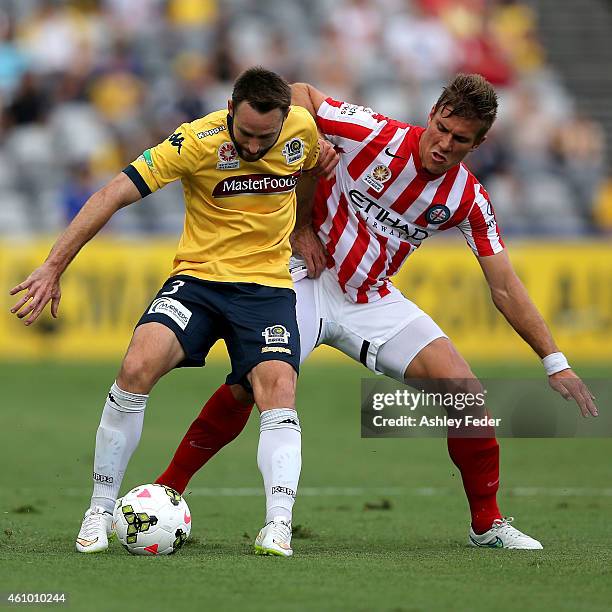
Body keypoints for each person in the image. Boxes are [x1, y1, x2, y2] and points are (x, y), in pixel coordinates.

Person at [154, 73, 598, 551]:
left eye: (461, 140)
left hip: (371, 299)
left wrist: (556, 362)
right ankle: (165, 493)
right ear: (431, 114)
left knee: (467, 399)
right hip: (303, 280)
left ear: (479, 143)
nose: (444, 145)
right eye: (442, 129)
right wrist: (310, 165)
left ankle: (486, 524)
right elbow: (299, 93)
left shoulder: (467, 199)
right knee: (248, 386)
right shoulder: (372, 133)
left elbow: (506, 286)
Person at [10, 66, 338, 558]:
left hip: (267, 288)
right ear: (229, 111)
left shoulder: (301, 130)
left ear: (283, 122)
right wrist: (54, 265)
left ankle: (278, 526)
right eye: (246, 134)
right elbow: (112, 194)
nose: (254, 147)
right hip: (199, 280)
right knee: (135, 366)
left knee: (279, 389)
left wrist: (305, 226)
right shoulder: (194, 141)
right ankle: (99, 509)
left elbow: (313, 167)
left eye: (265, 137)